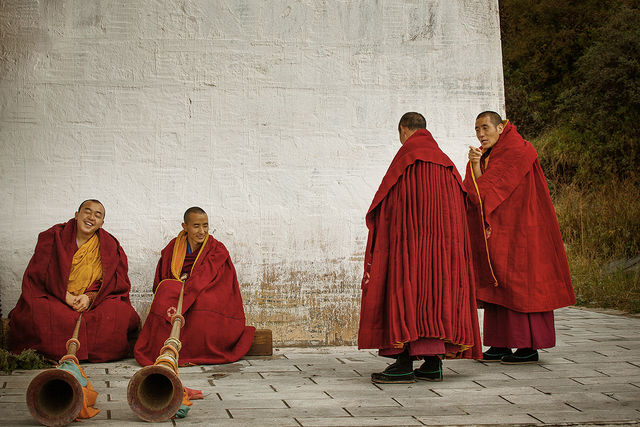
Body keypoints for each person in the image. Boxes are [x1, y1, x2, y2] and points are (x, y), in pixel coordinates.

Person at [358, 112, 482, 384]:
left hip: (410, 245)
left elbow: (386, 206)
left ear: (403, 130)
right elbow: (462, 209)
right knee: (436, 298)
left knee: (408, 294)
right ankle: (432, 364)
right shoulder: (446, 164)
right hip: (443, 252)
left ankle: (403, 363)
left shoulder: (405, 160)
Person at [464, 111, 576, 364]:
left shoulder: (516, 150)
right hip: (502, 227)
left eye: (485, 128)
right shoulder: (488, 154)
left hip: (525, 229)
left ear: (501, 127)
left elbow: (485, 192)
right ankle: (501, 343)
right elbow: (476, 194)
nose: (481, 135)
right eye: (477, 130)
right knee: (499, 282)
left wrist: (475, 166)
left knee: (523, 284)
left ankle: (528, 347)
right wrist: (474, 165)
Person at [9, 200, 140, 362]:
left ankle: (85, 351)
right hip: (55, 296)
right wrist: (65, 296)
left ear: (101, 223)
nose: (91, 217)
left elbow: (116, 283)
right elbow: (38, 275)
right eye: (87, 211)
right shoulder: (54, 237)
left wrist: (89, 297)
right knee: (38, 310)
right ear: (77, 215)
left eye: (97, 215)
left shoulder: (110, 245)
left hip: (93, 302)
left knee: (117, 311)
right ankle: (61, 352)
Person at [134, 207, 255, 366]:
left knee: (204, 303)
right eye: (196, 226)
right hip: (181, 290)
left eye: (205, 225)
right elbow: (163, 278)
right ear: (185, 226)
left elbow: (223, 284)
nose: (202, 231)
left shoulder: (216, 249)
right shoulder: (174, 247)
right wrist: (181, 285)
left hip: (206, 290)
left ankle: (193, 351)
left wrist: (191, 288)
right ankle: (163, 348)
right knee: (165, 291)